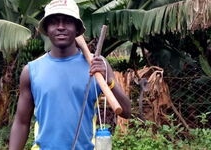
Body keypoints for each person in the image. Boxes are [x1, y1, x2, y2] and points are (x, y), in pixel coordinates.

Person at [9, 0, 131, 149]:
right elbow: (21, 122)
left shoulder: (97, 66)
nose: (61, 27)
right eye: (54, 22)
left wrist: (109, 80)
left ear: (77, 29)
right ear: (46, 29)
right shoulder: (31, 71)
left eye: (67, 22)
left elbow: (126, 112)